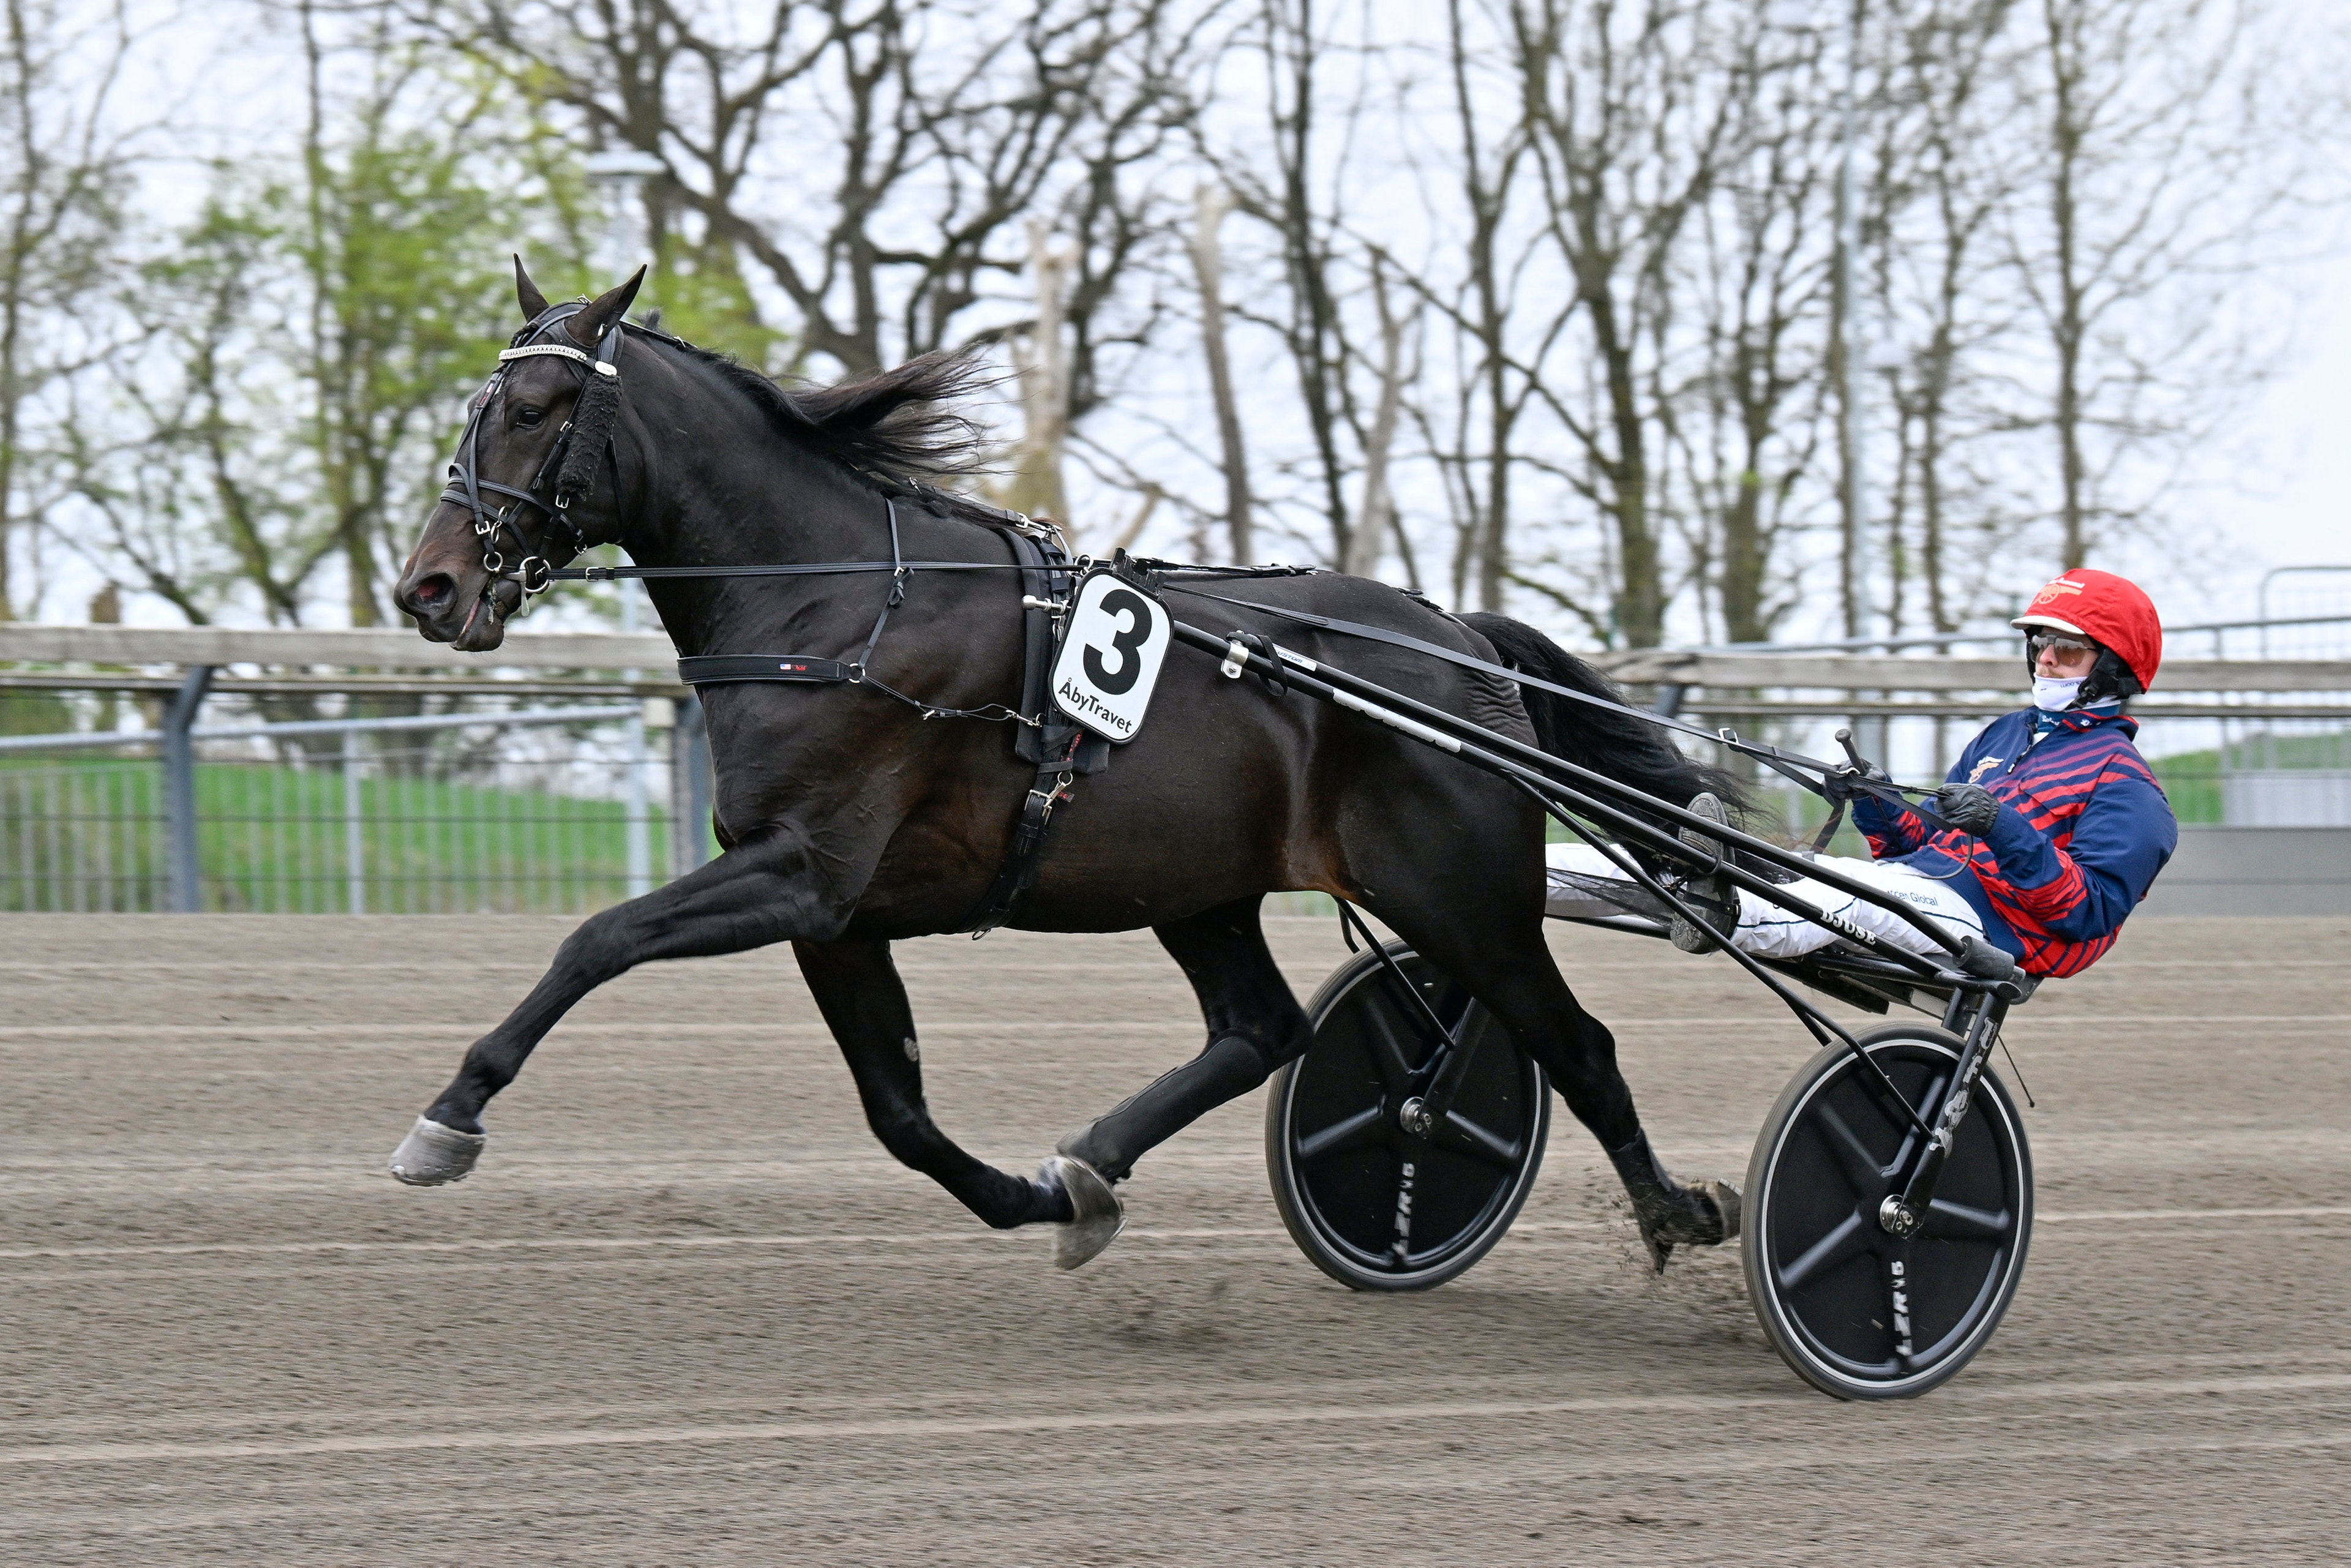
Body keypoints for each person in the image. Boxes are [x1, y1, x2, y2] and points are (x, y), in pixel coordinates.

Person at [1547, 568, 2180, 978]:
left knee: (1848, 895)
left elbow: (2088, 914)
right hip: (1920, 885)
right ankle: (1531, 874)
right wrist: (1875, 802)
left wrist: (2002, 826)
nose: (2044, 658)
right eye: (2039, 643)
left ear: (2113, 669)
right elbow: (1923, 846)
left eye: (2065, 649)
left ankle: (1724, 906)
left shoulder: (2129, 791)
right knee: (1812, 871)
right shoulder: (2004, 733)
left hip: (1995, 930)